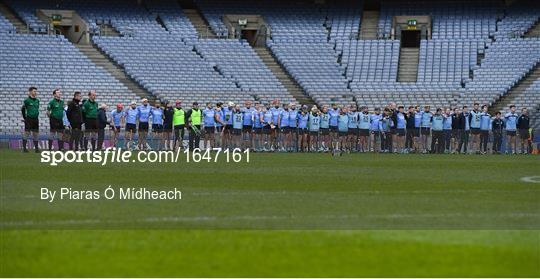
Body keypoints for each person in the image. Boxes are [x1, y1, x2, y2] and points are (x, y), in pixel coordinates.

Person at [21, 86, 40, 153]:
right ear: (30, 92)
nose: (36, 92)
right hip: (29, 119)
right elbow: (23, 109)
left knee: (36, 134)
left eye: (36, 91)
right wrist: (25, 118)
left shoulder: (37, 101)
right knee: (27, 133)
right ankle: (24, 149)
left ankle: (36, 149)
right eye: (34, 91)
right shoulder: (27, 101)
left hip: (36, 119)